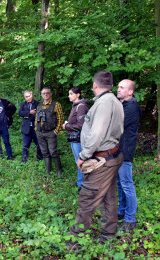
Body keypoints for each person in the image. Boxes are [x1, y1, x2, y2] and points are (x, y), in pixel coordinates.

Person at [66, 71, 124, 249]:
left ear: (94, 85)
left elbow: (97, 133)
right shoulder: (114, 101)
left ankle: (74, 241)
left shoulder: (104, 103)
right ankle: (108, 234)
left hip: (101, 159)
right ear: (112, 85)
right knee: (108, 197)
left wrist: (83, 156)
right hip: (112, 156)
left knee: (87, 198)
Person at [116, 79, 141, 232]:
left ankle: (130, 219)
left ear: (130, 92)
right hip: (117, 150)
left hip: (125, 151)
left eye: (122, 87)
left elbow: (117, 125)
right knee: (120, 183)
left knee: (126, 184)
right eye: (118, 86)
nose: (118, 89)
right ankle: (122, 210)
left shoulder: (131, 107)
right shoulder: (123, 105)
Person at [62, 87, 90, 189]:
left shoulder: (81, 107)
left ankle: (83, 185)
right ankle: (81, 183)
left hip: (79, 139)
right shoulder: (75, 106)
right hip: (74, 138)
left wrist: (66, 126)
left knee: (81, 162)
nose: (69, 96)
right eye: (69, 94)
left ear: (78, 95)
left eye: (71, 94)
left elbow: (81, 125)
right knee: (79, 161)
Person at [35, 87, 64, 176]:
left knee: (53, 152)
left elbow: (61, 118)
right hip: (40, 133)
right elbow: (36, 118)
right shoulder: (39, 105)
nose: (46, 95)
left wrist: (56, 130)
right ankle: (48, 170)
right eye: (44, 93)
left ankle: (59, 170)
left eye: (47, 93)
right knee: (44, 152)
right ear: (41, 95)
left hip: (51, 132)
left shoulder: (56, 104)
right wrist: (36, 129)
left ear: (51, 94)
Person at [18, 90, 43, 163]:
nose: (28, 98)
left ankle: (39, 159)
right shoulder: (22, 104)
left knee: (38, 144)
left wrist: (26, 116)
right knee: (25, 145)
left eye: (29, 96)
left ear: (32, 95)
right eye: (26, 97)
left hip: (36, 128)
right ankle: (24, 161)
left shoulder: (38, 104)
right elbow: (20, 113)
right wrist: (29, 112)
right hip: (26, 128)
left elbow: (38, 114)